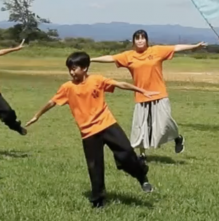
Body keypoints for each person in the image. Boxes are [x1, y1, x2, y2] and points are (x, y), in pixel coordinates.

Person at [25, 51, 159, 208]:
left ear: (85, 68)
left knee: (127, 153)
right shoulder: (67, 87)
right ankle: (98, 201)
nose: (72, 72)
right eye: (70, 69)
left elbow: (119, 84)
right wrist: (37, 115)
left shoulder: (97, 80)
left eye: (75, 68)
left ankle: (141, 176)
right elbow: (52, 102)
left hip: (107, 125)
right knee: (94, 167)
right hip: (88, 133)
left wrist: (142, 91)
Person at [91, 30, 206, 158]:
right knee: (141, 126)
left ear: (147, 40)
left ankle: (177, 138)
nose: (140, 40)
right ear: (134, 41)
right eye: (137, 38)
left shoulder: (156, 51)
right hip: (141, 96)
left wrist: (195, 46)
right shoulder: (128, 56)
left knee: (164, 123)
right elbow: (110, 58)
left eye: (142, 38)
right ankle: (142, 155)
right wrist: (89, 59)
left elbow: (177, 47)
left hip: (159, 94)